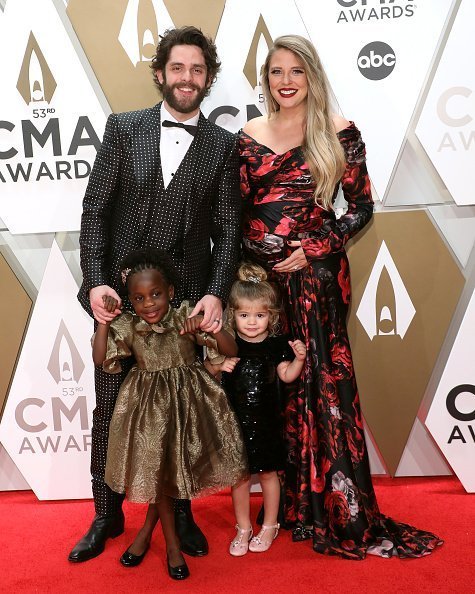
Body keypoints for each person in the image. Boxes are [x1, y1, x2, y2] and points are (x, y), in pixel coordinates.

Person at [239, 35, 443, 559]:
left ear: (312, 77)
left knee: (323, 384)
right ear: (266, 80)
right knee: (275, 388)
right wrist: (253, 257)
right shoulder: (247, 135)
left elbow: (360, 208)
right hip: (263, 288)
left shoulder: (339, 132)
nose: (285, 81)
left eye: (296, 72)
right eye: (276, 72)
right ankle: (289, 506)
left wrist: (311, 247)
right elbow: (236, 212)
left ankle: (336, 503)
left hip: (318, 279)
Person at [69, 26, 241, 563]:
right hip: (119, 301)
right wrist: (96, 278)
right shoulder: (124, 128)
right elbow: (95, 211)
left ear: (207, 78)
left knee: (180, 412)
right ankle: (106, 511)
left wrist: (214, 293)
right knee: (109, 408)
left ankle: (181, 512)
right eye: (178, 67)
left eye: (197, 69)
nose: (186, 78)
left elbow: (230, 229)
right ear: (161, 72)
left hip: (185, 302)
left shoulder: (223, 144)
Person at [93, 248, 247, 580]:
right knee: (158, 474)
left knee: (166, 475)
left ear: (171, 292)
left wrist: (209, 326)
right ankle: (173, 547)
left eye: (156, 294)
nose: (148, 303)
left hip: (188, 405)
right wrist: (103, 322)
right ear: (130, 302)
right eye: (139, 298)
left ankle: (147, 532)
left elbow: (231, 349)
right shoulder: (130, 326)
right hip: (148, 409)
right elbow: (100, 358)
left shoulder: (184, 317)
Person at [208, 262, 305, 556]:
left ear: (271, 316)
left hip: (267, 424)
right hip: (235, 425)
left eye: (260, 315)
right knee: (239, 478)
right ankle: (243, 528)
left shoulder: (276, 346)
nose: (252, 322)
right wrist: (218, 365)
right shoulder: (229, 345)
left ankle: (270, 524)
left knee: (268, 475)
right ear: (232, 315)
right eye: (244, 315)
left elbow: (287, 375)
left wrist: (299, 359)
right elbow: (204, 372)